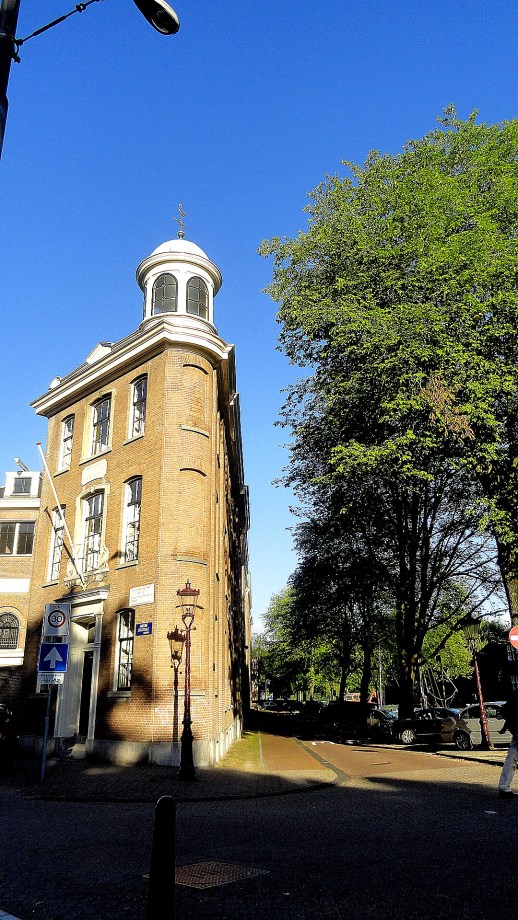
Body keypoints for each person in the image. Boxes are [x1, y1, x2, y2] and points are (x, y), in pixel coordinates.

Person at [498, 688, 518, 798]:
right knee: (511, 759)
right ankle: (504, 787)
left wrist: (505, 727)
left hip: (515, 730)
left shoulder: (515, 693)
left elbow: (510, 712)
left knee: (511, 759)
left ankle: (504, 787)